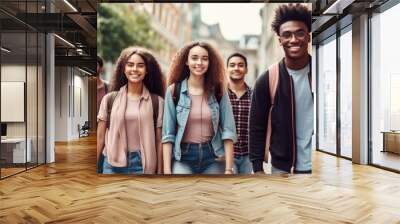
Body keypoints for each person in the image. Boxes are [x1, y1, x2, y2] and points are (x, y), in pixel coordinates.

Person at [249, 3, 313, 175]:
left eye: (299, 33)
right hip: (282, 169)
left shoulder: (323, 71)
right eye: (287, 34)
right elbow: (256, 126)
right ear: (279, 40)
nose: (293, 40)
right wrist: (257, 168)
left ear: (308, 36)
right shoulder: (267, 79)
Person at [162, 41, 237, 175]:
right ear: (186, 61)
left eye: (204, 59)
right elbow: (168, 134)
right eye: (194, 58)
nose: (199, 62)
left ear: (210, 63)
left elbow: (228, 130)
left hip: (213, 156)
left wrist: (228, 169)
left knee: (211, 195)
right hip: (183, 157)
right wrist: (167, 172)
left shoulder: (218, 90)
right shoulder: (174, 91)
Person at [97, 47, 165, 174]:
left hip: (143, 164)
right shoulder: (109, 99)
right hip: (112, 163)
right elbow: (100, 137)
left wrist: (160, 171)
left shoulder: (158, 102)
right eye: (130, 65)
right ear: (124, 69)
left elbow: (159, 140)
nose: (134, 69)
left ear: (147, 71)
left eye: (140, 65)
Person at [226, 53, 253, 174]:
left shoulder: (254, 95)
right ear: (227, 69)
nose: (236, 68)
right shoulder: (219, 95)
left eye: (240, 65)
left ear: (246, 69)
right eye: (232, 65)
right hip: (225, 154)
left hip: (248, 155)